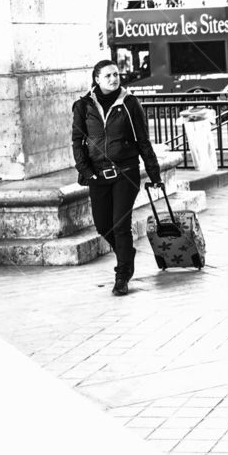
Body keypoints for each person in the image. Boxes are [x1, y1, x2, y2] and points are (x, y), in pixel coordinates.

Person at [72, 60, 163, 296]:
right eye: (108, 75)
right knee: (103, 225)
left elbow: (143, 140)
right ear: (97, 80)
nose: (114, 78)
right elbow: (77, 142)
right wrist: (86, 171)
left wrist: (154, 174)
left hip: (126, 172)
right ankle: (127, 253)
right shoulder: (83, 106)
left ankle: (122, 275)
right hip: (97, 174)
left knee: (120, 225)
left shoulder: (130, 103)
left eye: (116, 74)